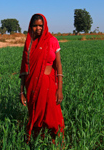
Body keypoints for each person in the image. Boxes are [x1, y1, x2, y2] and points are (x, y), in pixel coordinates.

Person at [19, 13, 64, 142]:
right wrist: (22, 91)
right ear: (30, 26)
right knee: (35, 115)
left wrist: (59, 88)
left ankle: (56, 142)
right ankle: (36, 141)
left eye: (40, 25)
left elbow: (59, 65)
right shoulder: (29, 44)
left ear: (45, 26)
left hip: (49, 85)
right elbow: (24, 70)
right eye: (35, 25)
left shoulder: (52, 40)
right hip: (32, 86)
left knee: (53, 116)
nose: (38, 28)